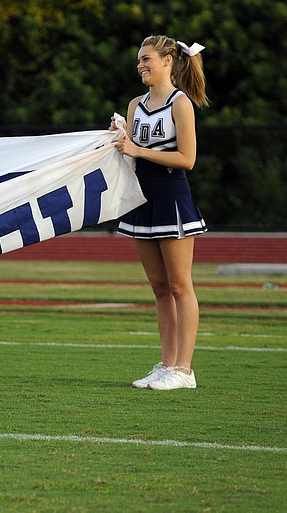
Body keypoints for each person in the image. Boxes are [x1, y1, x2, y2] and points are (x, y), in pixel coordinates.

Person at [111, 35, 209, 391]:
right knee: (159, 287)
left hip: (171, 196)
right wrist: (119, 141)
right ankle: (166, 364)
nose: (141, 66)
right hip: (143, 198)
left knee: (181, 285)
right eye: (139, 60)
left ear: (168, 60)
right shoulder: (135, 104)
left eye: (147, 59)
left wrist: (138, 149)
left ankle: (184, 370)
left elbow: (188, 159)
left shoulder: (180, 104)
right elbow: (130, 155)